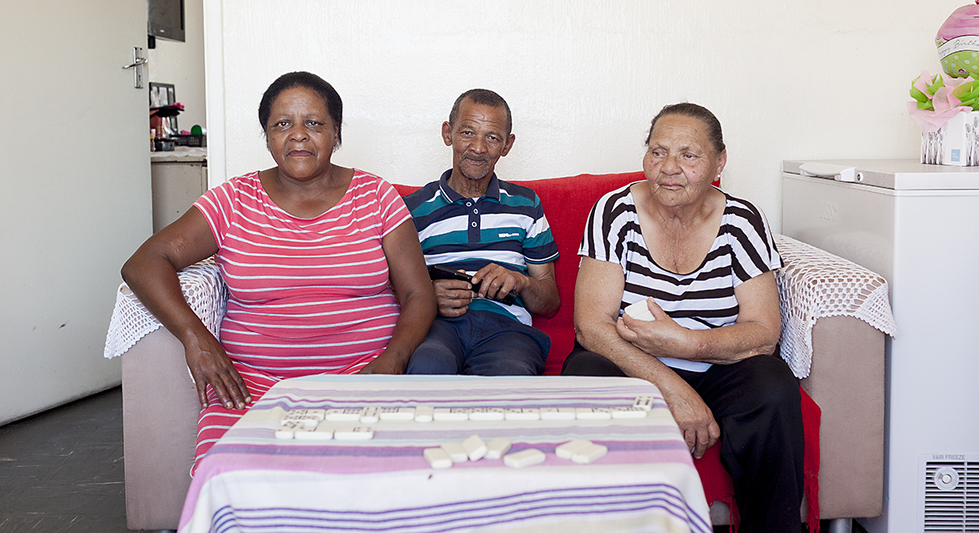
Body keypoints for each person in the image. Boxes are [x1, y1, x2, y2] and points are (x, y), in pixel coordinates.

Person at [121, 71, 436, 471]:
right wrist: (196, 338)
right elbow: (144, 263)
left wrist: (393, 360)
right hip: (249, 384)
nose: (298, 135)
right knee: (229, 479)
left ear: (336, 133)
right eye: (282, 124)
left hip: (364, 375)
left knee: (375, 479)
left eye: (314, 123)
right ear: (267, 135)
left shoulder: (375, 196)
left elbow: (418, 294)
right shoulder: (233, 200)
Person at [562, 103, 804, 533]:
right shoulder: (614, 212)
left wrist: (687, 343)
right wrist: (672, 390)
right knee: (585, 371)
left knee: (772, 382)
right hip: (634, 365)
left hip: (719, 367)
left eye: (688, 155)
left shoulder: (742, 221)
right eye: (658, 152)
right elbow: (591, 326)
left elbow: (764, 333)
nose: (669, 168)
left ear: (719, 162)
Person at [404, 89, 560, 376]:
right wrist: (428, 296)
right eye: (467, 133)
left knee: (510, 375)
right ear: (448, 134)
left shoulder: (527, 204)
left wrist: (521, 282)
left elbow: (550, 302)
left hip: (508, 331)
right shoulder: (412, 209)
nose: (478, 148)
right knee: (428, 366)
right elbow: (389, 290)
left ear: (507, 145)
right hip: (437, 326)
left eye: (492, 137)